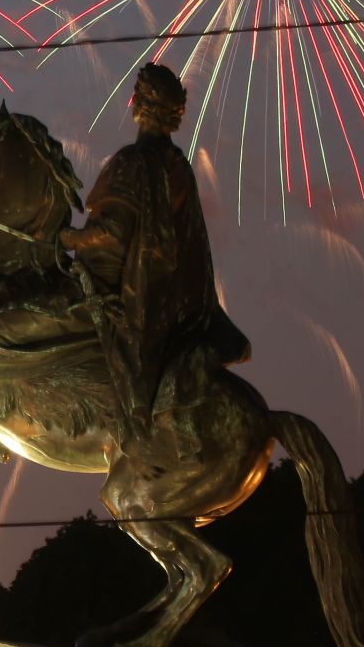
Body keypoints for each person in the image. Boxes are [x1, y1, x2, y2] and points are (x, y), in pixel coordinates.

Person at [59, 63, 247, 449]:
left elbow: (112, 233)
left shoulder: (133, 160)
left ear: (138, 107)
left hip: (134, 293)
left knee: (57, 319)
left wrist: (65, 236)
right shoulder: (178, 165)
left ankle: (130, 429)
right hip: (174, 297)